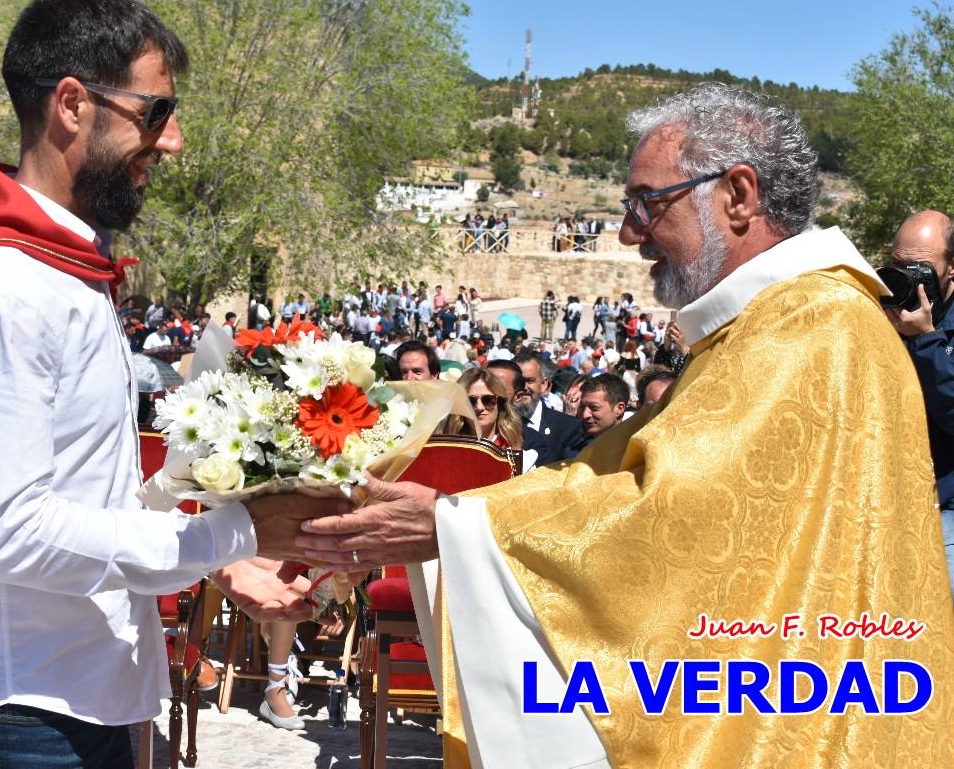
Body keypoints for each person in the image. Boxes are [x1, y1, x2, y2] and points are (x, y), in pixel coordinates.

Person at [285, 83, 954, 767]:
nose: (631, 233)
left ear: (739, 195)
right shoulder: (769, 324)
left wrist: (453, 525)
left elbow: (669, 513)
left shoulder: (812, 325)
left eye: (645, 202)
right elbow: (613, 475)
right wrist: (456, 516)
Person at [0, 0, 343, 765]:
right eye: (156, 113)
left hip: (81, 694)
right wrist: (239, 528)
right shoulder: (2, 287)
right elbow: (19, 535)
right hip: (20, 711)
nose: (171, 143)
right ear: (72, 104)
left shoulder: (61, 273)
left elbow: (87, 495)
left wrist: (220, 557)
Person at [884, 209, 954, 595]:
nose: (906, 278)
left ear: (951, 270)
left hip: (945, 509)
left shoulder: (930, 329)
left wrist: (926, 340)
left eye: (919, 269)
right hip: (890, 501)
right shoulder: (887, 309)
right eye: (898, 265)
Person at [512, 354, 584, 470]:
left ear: (544, 384)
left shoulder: (568, 427)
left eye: (530, 381)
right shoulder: (497, 425)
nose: (524, 387)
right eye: (518, 381)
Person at [441, 366, 522, 450]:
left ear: (500, 403)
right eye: (471, 401)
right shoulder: (444, 446)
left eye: (488, 400)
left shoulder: (516, 446)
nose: (479, 407)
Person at [575, 372, 628, 443]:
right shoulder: (575, 449)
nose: (585, 415)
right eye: (582, 407)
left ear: (619, 409)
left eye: (594, 407)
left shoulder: (633, 449)